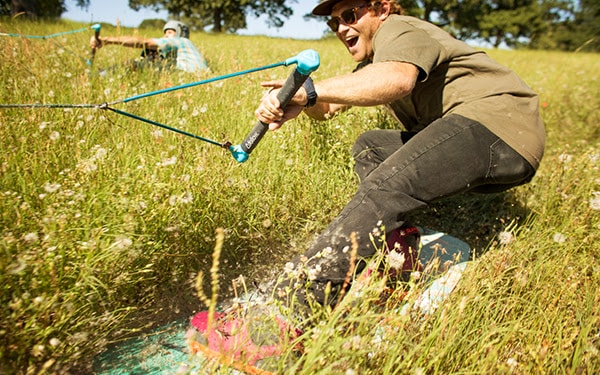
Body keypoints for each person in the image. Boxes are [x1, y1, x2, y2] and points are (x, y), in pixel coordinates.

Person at [255, 0, 545, 312]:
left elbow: (396, 79)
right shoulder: (377, 58)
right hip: (487, 135)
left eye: (350, 15)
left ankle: (292, 309)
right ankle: (399, 249)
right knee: (372, 147)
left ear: (382, 9)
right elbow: (325, 110)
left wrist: (311, 91)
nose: (341, 28)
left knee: (386, 187)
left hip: (496, 127)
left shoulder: (398, 28)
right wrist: (292, 99)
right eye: (333, 23)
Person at [89, 20, 208, 73]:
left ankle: (102, 75)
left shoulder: (180, 41)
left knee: (137, 64)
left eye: (170, 32)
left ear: (180, 33)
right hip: (193, 79)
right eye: (165, 33)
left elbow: (144, 43)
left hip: (188, 78)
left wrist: (106, 40)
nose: (166, 36)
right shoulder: (184, 50)